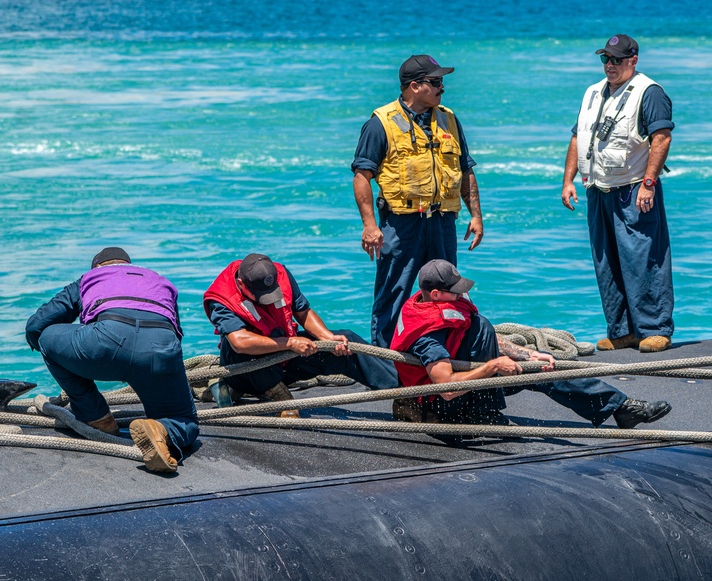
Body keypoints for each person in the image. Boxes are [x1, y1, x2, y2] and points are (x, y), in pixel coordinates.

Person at [390, 259, 671, 437]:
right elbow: (447, 389)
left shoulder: (438, 303)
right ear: (436, 294)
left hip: (475, 378)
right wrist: (494, 366)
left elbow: (476, 337)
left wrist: (527, 354)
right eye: (455, 289)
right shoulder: (427, 336)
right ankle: (481, 414)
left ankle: (619, 407)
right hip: (449, 403)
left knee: (542, 368)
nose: (462, 293)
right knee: (503, 351)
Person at [26, 247, 199, 474]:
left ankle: (96, 416)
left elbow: (37, 325)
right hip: (161, 351)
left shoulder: (91, 278)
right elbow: (174, 331)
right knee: (183, 419)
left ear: (97, 266)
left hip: (107, 343)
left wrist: (46, 346)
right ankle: (161, 428)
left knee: (48, 338)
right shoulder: (158, 280)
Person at [352, 54, 484, 349]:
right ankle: (388, 359)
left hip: (442, 222)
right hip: (402, 224)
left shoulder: (448, 118)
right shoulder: (380, 124)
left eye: (442, 81)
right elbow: (362, 175)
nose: (442, 88)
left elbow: (465, 169)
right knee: (393, 292)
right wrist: (370, 226)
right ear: (414, 86)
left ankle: (448, 352)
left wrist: (476, 216)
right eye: (435, 82)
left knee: (448, 291)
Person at [561, 34, 674, 353]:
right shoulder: (592, 92)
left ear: (633, 60)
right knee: (606, 260)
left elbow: (661, 138)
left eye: (617, 60)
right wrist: (567, 179)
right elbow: (577, 137)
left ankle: (655, 328)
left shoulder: (649, 92)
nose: (610, 65)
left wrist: (649, 182)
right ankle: (622, 329)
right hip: (598, 189)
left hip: (634, 189)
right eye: (605, 59)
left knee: (644, 257)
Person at [202, 253, 399, 414]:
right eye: (262, 296)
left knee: (347, 339)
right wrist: (289, 343)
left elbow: (303, 312)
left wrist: (327, 339)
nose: (269, 300)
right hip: (248, 368)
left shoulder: (281, 274)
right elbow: (240, 342)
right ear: (241, 283)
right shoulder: (221, 297)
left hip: (285, 359)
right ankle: (278, 396)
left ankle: (405, 391)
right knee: (242, 352)